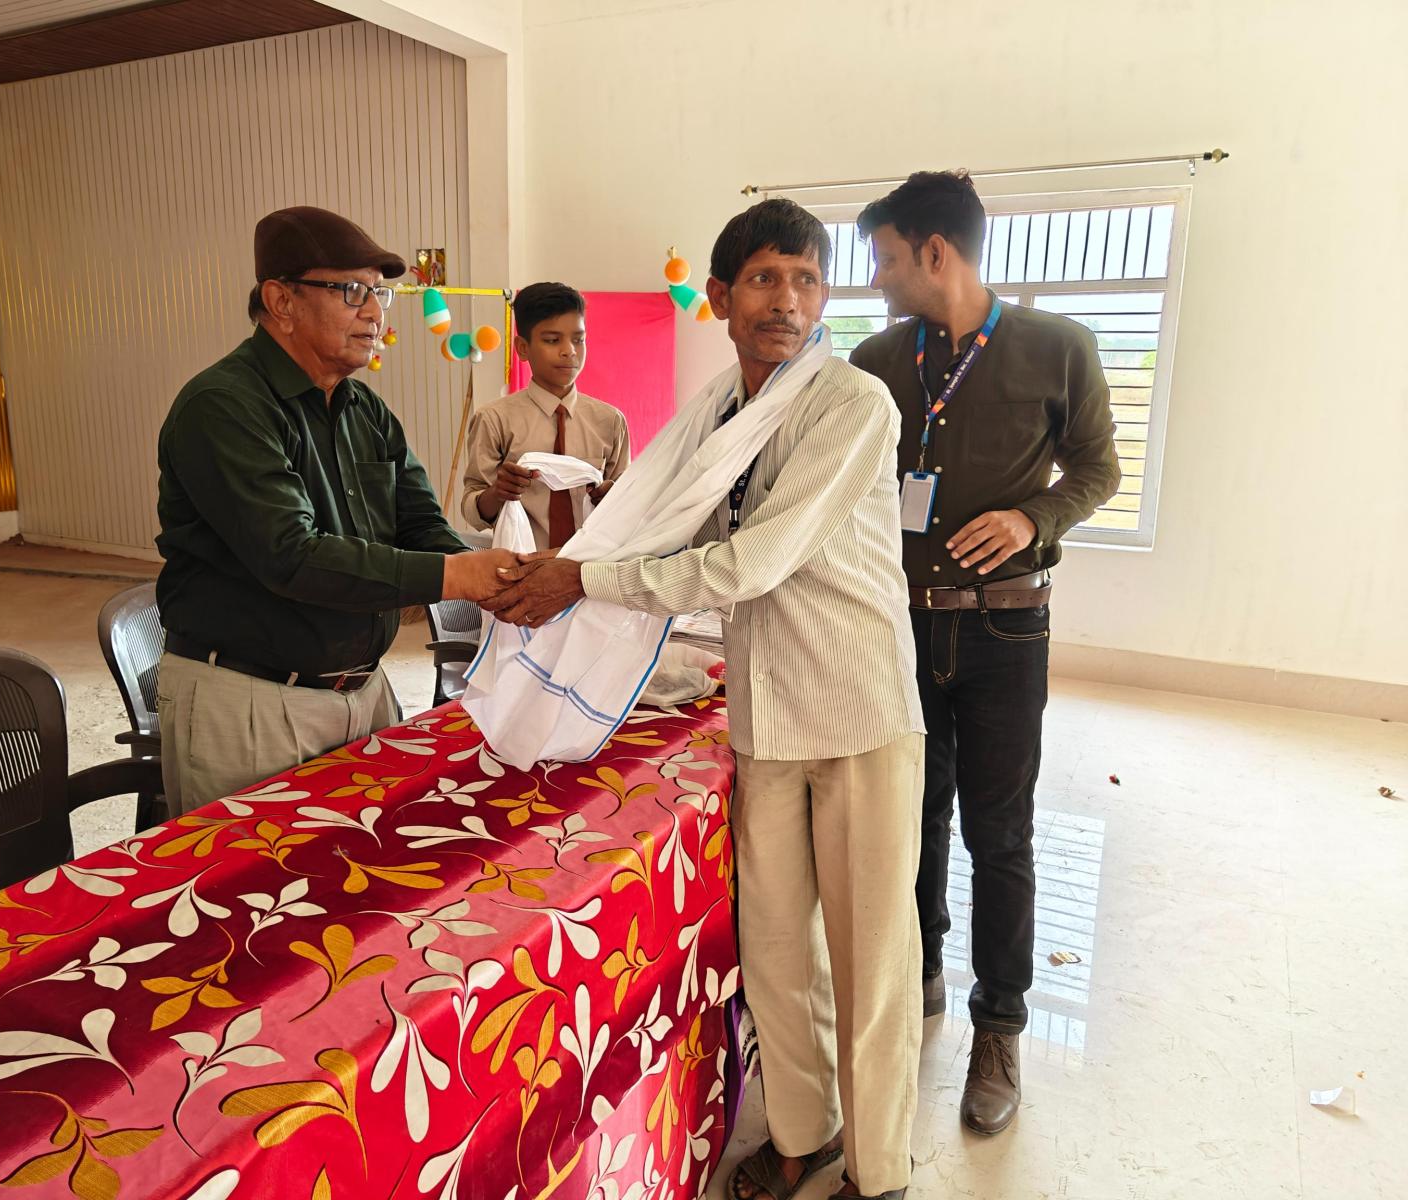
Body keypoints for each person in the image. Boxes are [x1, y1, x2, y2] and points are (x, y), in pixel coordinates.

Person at [486, 199, 924, 1200]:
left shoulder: (852, 405)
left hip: (856, 709)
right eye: (765, 279)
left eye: (806, 280)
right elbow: (660, 529)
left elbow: (751, 561)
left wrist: (583, 581)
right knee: (774, 950)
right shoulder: (717, 413)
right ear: (720, 296)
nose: (787, 302)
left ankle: (880, 1172)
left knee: (870, 961)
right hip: (766, 711)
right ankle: (803, 1134)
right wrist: (565, 576)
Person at [849, 171, 1120, 1136]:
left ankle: (999, 1026)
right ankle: (920, 970)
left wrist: (1032, 517)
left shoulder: (1058, 347)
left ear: (935, 252)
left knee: (998, 833)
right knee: (912, 813)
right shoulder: (879, 358)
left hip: (1007, 628)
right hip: (901, 625)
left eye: (886, 260)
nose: (877, 280)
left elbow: (1099, 469)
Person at [154, 205, 516, 816]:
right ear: (282, 301)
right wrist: (459, 576)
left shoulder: (364, 411)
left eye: (380, 294)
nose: (374, 313)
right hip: (252, 700)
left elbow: (421, 525)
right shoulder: (223, 407)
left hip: (364, 691)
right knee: (253, 872)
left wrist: (508, 576)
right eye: (352, 291)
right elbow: (292, 556)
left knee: (371, 865)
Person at [460, 282, 630, 549]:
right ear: (522, 348)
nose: (569, 350)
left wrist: (613, 499)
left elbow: (629, 504)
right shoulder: (494, 420)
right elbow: (472, 508)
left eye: (578, 340)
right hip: (520, 563)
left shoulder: (610, 422)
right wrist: (497, 493)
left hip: (592, 566)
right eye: (552, 340)